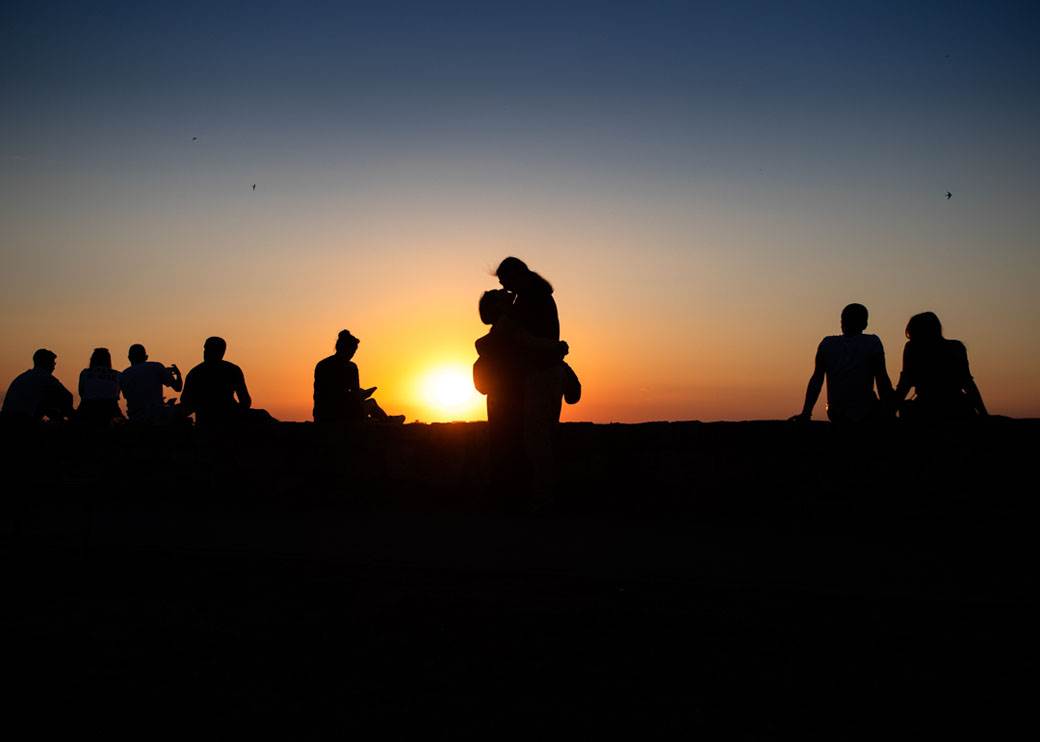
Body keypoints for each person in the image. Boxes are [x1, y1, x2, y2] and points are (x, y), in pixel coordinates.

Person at [494, 257, 569, 501]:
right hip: (548, 371)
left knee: (536, 440)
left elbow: (523, 335)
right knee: (543, 436)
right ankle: (545, 495)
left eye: (504, 280)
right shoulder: (537, 295)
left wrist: (506, 311)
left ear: (515, 276)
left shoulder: (530, 298)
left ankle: (544, 497)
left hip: (541, 372)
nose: (504, 287)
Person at [791, 303, 893, 423]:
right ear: (865, 324)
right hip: (866, 412)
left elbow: (816, 380)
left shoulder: (827, 344)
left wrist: (806, 412)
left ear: (842, 322)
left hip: (836, 413)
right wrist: (889, 411)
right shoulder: (872, 342)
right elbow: (882, 379)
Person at [893, 311, 987, 421]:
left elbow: (905, 384)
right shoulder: (956, 347)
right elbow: (968, 384)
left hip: (926, 408)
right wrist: (984, 414)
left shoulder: (912, 348)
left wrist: (890, 410)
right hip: (958, 407)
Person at [313, 330, 403, 423]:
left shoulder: (322, 364)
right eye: (352, 351)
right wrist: (364, 394)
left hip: (321, 415)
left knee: (366, 411)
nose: (352, 355)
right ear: (346, 349)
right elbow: (353, 394)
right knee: (371, 403)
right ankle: (388, 421)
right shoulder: (350, 367)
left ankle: (376, 420)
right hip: (338, 415)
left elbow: (326, 393)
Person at [179, 337, 253, 428]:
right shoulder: (233, 370)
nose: (205, 352)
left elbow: (185, 402)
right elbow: (245, 401)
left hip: (209, 422)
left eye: (209, 349)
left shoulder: (195, 372)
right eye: (205, 349)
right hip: (226, 420)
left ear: (221, 352)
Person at [1, 348, 75, 423]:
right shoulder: (44, 376)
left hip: (6, 419)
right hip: (20, 419)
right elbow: (68, 396)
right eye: (53, 363)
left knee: (46, 402)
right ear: (47, 363)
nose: (54, 366)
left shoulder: (24, 376)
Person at [119, 343, 183, 424]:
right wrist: (178, 374)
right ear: (146, 357)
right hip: (157, 416)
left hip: (135, 418)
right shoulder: (157, 367)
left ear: (129, 358)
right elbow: (178, 388)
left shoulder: (123, 375)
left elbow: (128, 396)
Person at [77, 348, 124, 427]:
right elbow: (117, 394)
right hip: (111, 409)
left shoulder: (85, 373)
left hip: (87, 408)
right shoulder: (117, 375)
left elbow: (81, 392)